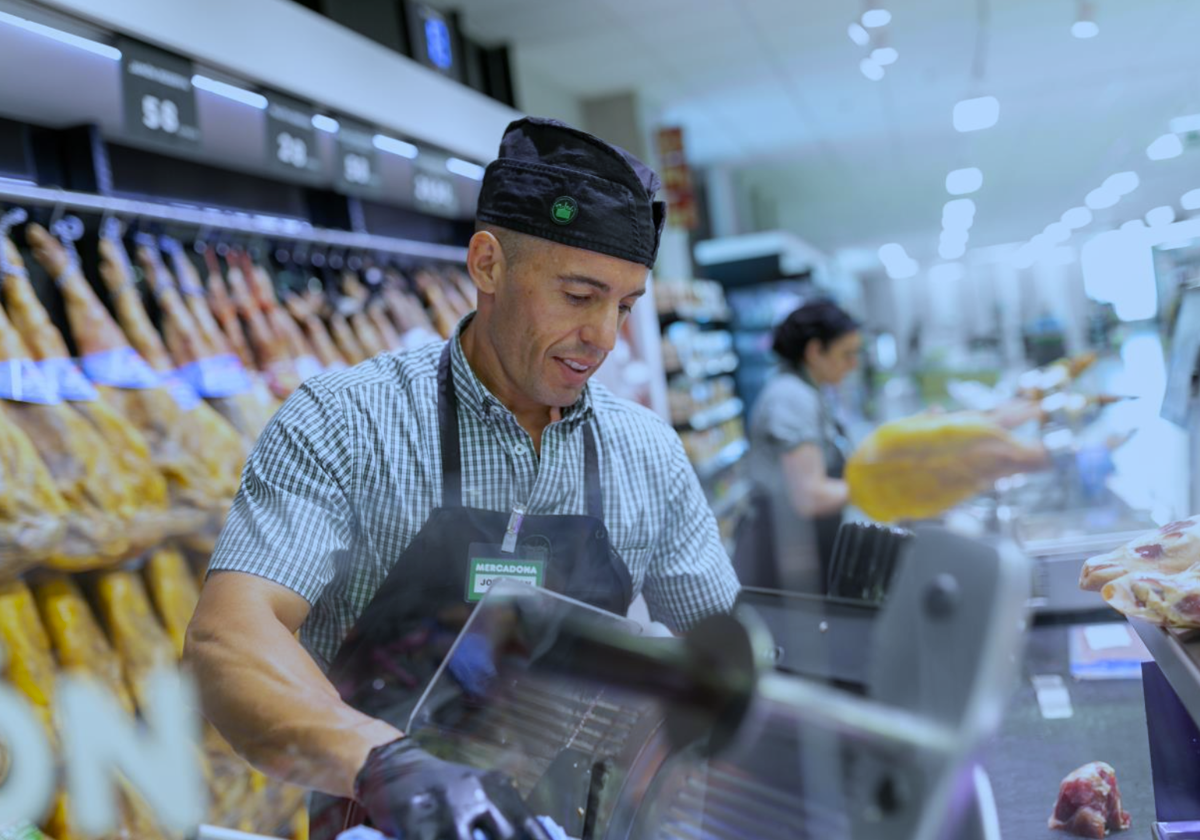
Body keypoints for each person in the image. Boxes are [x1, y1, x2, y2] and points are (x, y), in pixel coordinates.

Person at [183, 117, 740, 840]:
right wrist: (384, 763)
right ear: (488, 265)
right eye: (579, 296)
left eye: (625, 305)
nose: (606, 335)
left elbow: (724, 664)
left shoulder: (648, 453)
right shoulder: (346, 422)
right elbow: (231, 637)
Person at [735, 299, 862, 594]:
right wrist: (880, 485)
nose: (853, 364)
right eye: (847, 354)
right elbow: (809, 496)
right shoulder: (791, 398)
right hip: (784, 558)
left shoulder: (809, 391)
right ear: (816, 351)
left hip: (801, 547)